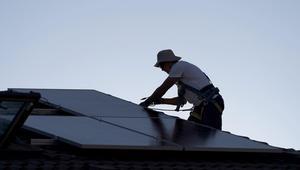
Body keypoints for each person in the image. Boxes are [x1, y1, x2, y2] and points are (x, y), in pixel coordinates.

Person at [139, 49, 225, 130]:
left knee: (208, 137)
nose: (161, 69)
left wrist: (148, 101)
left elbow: (164, 88)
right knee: (186, 135)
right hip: (202, 106)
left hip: (211, 104)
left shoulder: (179, 66)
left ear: (168, 62)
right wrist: (161, 101)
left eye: (161, 66)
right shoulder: (180, 80)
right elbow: (182, 101)